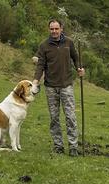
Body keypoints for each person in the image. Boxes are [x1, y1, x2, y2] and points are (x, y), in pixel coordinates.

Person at [33, 19, 85, 157]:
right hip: (50, 87)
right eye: (51, 29)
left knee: (70, 117)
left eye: (56, 29)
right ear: (49, 29)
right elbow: (40, 65)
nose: (54, 31)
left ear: (61, 29)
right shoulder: (44, 45)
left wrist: (79, 68)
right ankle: (58, 146)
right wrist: (35, 80)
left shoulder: (69, 42)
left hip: (66, 85)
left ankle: (73, 147)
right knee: (54, 118)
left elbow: (76, 58)